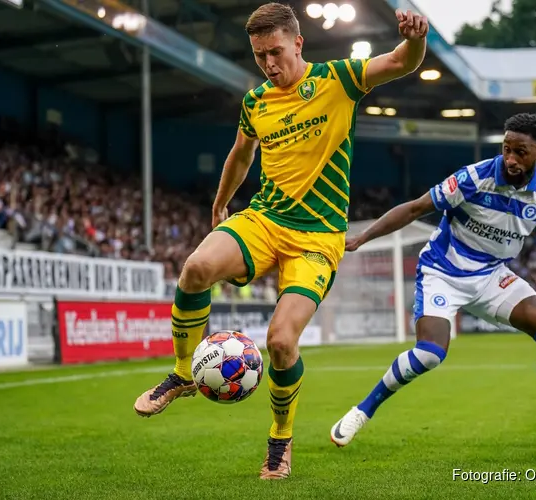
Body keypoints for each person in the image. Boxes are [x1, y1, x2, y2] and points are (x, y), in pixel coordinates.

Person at [133, 2, 430, 479]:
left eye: (275, 52)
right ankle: (184, 374)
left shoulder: (339, 80)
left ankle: (279, 439)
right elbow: (240, 153)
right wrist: (221, 200)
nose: (269, 65)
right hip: (265, 220)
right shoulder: (255, 103)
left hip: (317, 238)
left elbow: (400, 61)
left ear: (298, 43)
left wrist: (416, 38)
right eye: (259, 57)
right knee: (194, 269)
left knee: (281, 342)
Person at [330, 113, 536, 450]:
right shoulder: (472, 178)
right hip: (442, 272)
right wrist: (361, 238)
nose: (511, 159)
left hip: (491, 276)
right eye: (506, 149)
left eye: (521, 151)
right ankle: (362, 411)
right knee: (430, 354)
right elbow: (415, 209)